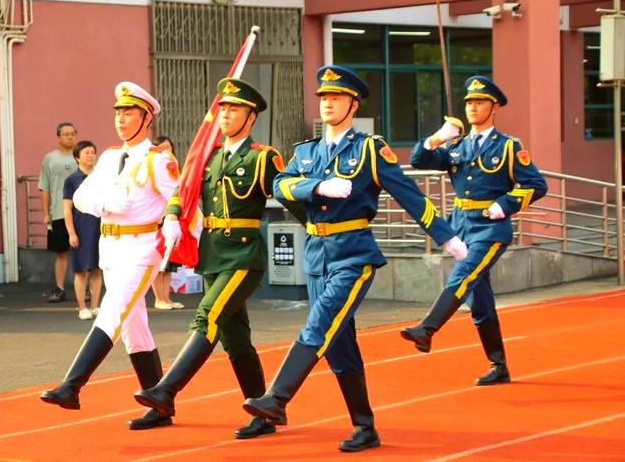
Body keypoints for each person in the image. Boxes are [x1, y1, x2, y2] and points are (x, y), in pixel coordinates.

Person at [242, 66, 468, 452]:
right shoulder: (305, 151)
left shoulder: (368, 149)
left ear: (353, 104)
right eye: (323, 97)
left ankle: (277, 398)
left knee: (320, 322)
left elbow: (409, 194)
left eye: (336, 97)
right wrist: (317, 186)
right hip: (316, 255)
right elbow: (280, 185)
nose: (328, 103)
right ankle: (365, 427)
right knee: (337, 343)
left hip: (353, 253)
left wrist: (446, 236)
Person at [134, 78, 286, 440]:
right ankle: (263, 411)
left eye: (235, 109)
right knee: (236, 340)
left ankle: (165, 390)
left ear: (251, 116)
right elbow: (184, 190)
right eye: (223, 108)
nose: (226, 114)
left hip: (245, 255)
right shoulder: (210, 155)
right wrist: (172, 215)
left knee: (208, 316)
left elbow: (288, 192)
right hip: (214, 254)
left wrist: (319, 222)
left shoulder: (263, 157)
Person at [40, 81, 179, 432]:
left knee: (113, 310)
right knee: (134, 327)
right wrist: (108, 204)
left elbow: (181, 200)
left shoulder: (158, 161)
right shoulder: (109, 157)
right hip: (112, 246)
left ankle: (72, 386)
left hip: (142, 247)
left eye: (128, 113)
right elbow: (82, 197)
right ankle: (160, 403)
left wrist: (176, 226)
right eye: (117, 113)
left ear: (146, 118)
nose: (120, 119)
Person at [402, 75, 547, 385]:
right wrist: (437, 138)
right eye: (469, 102)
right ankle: (499, 366)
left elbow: (537, 184)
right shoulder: (457, 145)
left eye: (479, 102)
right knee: (479, 301)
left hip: (490, 228)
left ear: (494, 107)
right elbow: (418, 160)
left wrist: (505, 204)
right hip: (460, 227)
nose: (472, 107)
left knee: (464, 275)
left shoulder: (508, 146)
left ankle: (427, 328)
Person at [63, 140, 103, 320]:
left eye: (93, 152)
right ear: (77, 157)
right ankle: (82, 307)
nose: (91, 156)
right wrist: (71, 232)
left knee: (97, 269)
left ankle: (95, 306)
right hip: (81, 228)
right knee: (81, 270)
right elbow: (67, 209)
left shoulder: (101, 178)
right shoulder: (71, 180)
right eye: (86, 152)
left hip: (100, 228)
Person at [39, 122, 78, 303]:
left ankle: (84, 289)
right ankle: (60, 288)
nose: (70, 137)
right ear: (58, 136)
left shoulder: (81, 155)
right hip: (58, 211)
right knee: (61, 252)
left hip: (80, 212)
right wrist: (46, 213)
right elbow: (44, 187)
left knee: (82, 251)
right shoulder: (50, 158)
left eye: (73, 134)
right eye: (66, 134)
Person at [151, 135, 184, 310]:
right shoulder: (152, 169)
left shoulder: (174, 170)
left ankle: (167, 297)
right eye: (162, 148)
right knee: (158, 261)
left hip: (170, 219)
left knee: (169, 261)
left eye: (168, 147)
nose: (166, 151)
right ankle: (159, 298)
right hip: (158, 220)